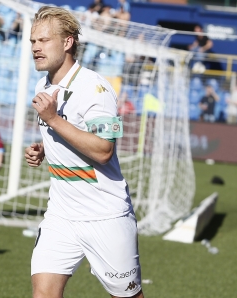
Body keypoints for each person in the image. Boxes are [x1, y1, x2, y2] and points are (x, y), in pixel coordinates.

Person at [24, 6, 143, 298]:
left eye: (44, 40)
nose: (36, 48)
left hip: (105, 216)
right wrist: (43, 149)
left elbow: (103, 150)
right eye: (33, 42)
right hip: (61, 215)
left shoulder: (96, 88)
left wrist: (53, 120)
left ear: (68, 42)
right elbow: (65, 135)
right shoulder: (44, 84)